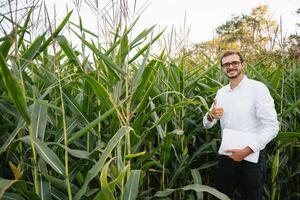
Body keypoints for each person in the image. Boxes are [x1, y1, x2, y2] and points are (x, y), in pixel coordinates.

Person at [203, 50, 279, 200]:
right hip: (226, 155)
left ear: (242, 65)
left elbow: (272, 126)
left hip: (250, 156)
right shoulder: (221, 92)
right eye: (226, 64)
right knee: (220, 196)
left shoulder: (257, 88)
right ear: (222, 68)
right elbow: (207, 124)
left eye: (234, 63)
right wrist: (210, 116)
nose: (230, 67)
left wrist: (245, 151)